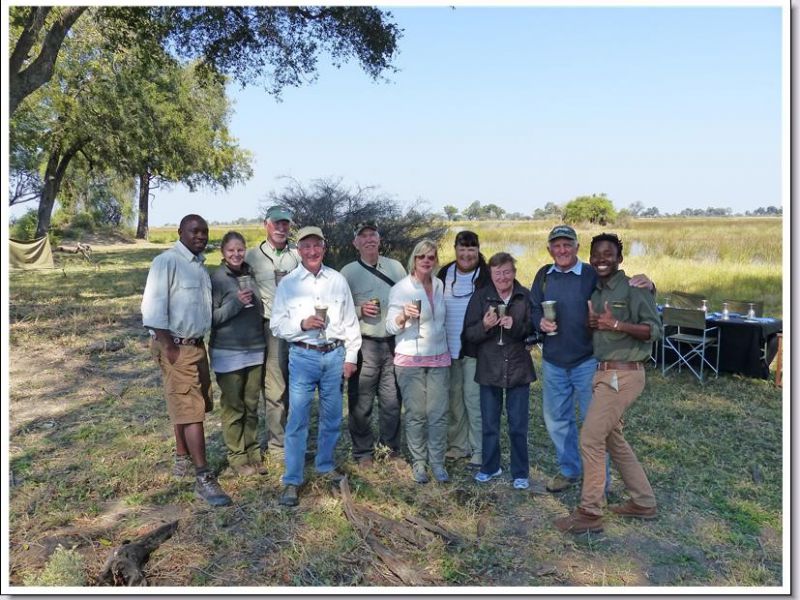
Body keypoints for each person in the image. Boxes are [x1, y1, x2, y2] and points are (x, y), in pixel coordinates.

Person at [530, 224, 652, 494]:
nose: (562, 250)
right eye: (556, 245)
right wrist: (539, 322)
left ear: (576, 247)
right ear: (549, 249)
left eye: (567, 245)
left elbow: (622, 289)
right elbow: (533, 307)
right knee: (557, 421)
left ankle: (600, 484)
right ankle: (569, 470)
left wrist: (650, 285)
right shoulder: (543, 276)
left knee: (596, 426)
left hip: (588, 361)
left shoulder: (590, 273)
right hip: (553, 361)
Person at [555, 232, 662, 534]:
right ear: (590, 258)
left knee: (590, 438)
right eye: (597, 255)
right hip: (603, 372)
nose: (602, 260)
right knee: (613, 440)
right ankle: (643, 501)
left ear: (620, 258)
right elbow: (601, 329)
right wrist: (595, 325)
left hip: (623, 374)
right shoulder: (598, 290)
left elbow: (654, 330)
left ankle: (590, 512)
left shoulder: (634, 288)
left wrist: (616, 323)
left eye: (608, 254)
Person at [141, 214, 232, 507]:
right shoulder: (167, 262)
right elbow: (152, 310)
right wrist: (170, 347)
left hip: (195, 345)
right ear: (180, 231)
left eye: (205, 232)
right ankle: (203, 477)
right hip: (176, 345)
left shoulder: (198, 266)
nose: (201, 236)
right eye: (195, 231)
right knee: (191, 410)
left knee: (190, 403)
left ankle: (182, 457)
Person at [270, 226, 361, 507]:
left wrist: (351, 357)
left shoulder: (337, 280)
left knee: (331, 417)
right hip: (303, 356)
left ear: (324, 247)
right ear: (298, 250)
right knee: (298, 419)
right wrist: (302, 323)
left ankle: (325, 465)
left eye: (316, 245)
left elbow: (350, 321)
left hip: (334, 356)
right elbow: (276, 325)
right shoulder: (288, 284)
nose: (312, 251)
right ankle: (292, 479)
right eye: (306, 246)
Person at [463, 253, 535, 490]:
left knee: (518, 426)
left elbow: (534, 331)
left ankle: (520, 472)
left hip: (518, 368)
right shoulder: (481, 297)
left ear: (514, 272)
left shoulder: (524, 296)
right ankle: (490, 467)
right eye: (497, 273)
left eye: (506, 272)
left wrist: (516, 326)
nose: (502, 277)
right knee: (490, 424)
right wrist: (485, 326)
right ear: (491, 274)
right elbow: (469, 334)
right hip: (489, 367)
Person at [340, 223, 407, 468]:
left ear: (379, 240)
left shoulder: (395, 267)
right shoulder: (347, 273)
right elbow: (339, 309)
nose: (368, 239)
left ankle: (391, 450)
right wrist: (360, 310)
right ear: (355, 243)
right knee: (361, 402)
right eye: (363, 236)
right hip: (363, 345)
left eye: (372, 235)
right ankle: (363, 452)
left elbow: (409, 296)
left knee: (392, 402)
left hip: (392, 344)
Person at [386, 240, 451, 484]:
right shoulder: (401, 288)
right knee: (416, 414)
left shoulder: (439, 284)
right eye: (421, 256)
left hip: (439, 356)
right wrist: (403, 316)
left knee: (438, 413)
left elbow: (443, 321)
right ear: (413, 259)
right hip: (410, 359)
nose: (426, 261)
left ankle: (437, 462)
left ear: (436, 261)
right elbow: (390, 326)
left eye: (431, 257)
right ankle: (419, 463)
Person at [209, 231, 268, 477]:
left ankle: (253, 453)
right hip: (228, 352)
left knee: (252, 405)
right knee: (234, 407)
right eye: (231, 250)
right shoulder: (217, 279)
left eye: (240, 249)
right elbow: (211, 318)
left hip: (255, 348)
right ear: (223, 252)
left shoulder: (250, 274)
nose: (236, 254)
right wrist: (236, 303)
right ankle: (237, 457)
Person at [246, 205, 301, 458]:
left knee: (296, 385)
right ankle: (278, 446)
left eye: (285, 224)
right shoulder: (252, 256)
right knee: (275, 386)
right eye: (276, 223)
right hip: (270, 328)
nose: (281, 228)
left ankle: (295, 437)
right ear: (266, 225)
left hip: (299, 328)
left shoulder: (298, 255)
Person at [437, 230, 490, 470]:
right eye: (462, 248)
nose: (467, 254)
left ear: (478, 250)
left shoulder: (486, 275)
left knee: (474, 401)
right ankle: (458, 446)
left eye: (472, 248)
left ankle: (479, 449)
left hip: (475, 349)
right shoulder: (445, 273)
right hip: (448, 348)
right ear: (455, 249)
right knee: (454, 401)